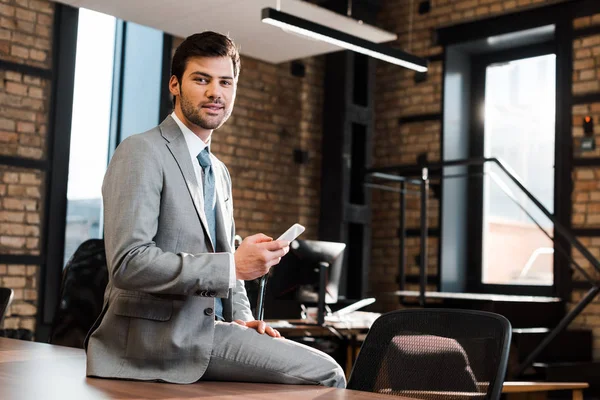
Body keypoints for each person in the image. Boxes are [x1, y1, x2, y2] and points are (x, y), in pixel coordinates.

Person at [84, 31, 346, 388]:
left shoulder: (217, 172)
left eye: (226, 82)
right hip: (155, 341)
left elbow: (228, 266)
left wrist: (242, 317)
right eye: (201, 79)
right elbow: (129, 263)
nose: (215, 93)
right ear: (174, 85)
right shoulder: (142, 151)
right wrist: (232, 264)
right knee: (328, 373)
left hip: (210, 332)